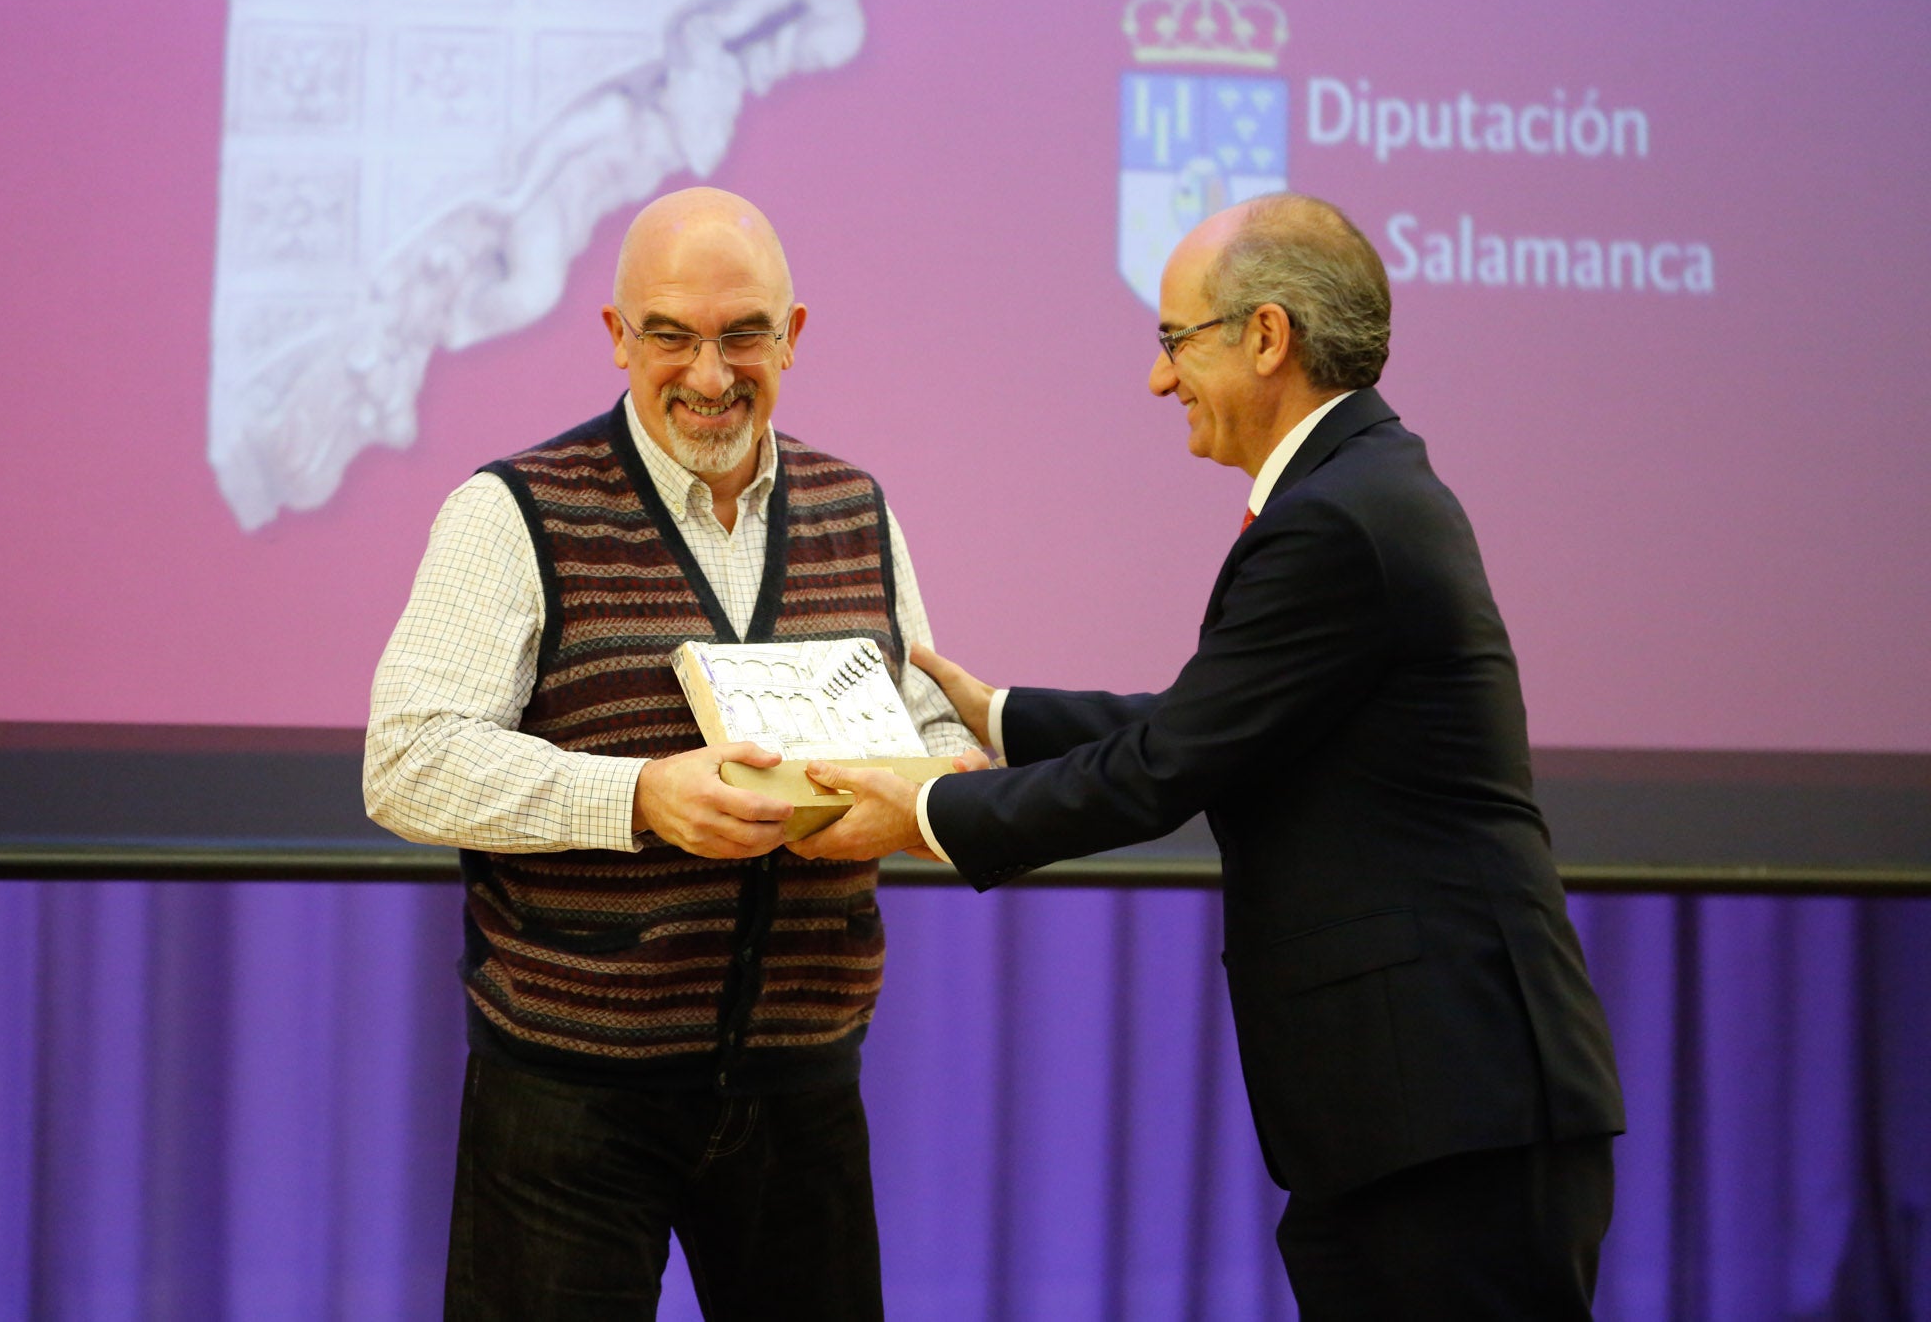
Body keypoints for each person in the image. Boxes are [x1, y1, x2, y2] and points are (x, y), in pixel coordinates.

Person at [792, 193, 1626, 1319]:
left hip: (1448, 1112)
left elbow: (1167, 766)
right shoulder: (1361, 490)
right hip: (1416, 1109)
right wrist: (996, 716)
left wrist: (923, 811)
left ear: (1266, 337)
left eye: (1172, 340)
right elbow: (1221, 721)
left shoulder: (1337, 520)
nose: (1156, 379)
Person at [364, 186, 979, 1320]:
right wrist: (640, 797)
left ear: (793, 337)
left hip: (803, 1091)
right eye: (670, 336)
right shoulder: (513, 512)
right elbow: (405, 761)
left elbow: (933, 732)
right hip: (568, 1098)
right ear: (614, 337)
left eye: (742, 334)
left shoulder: (858, 510)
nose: (708, 373)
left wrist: (921, 796)